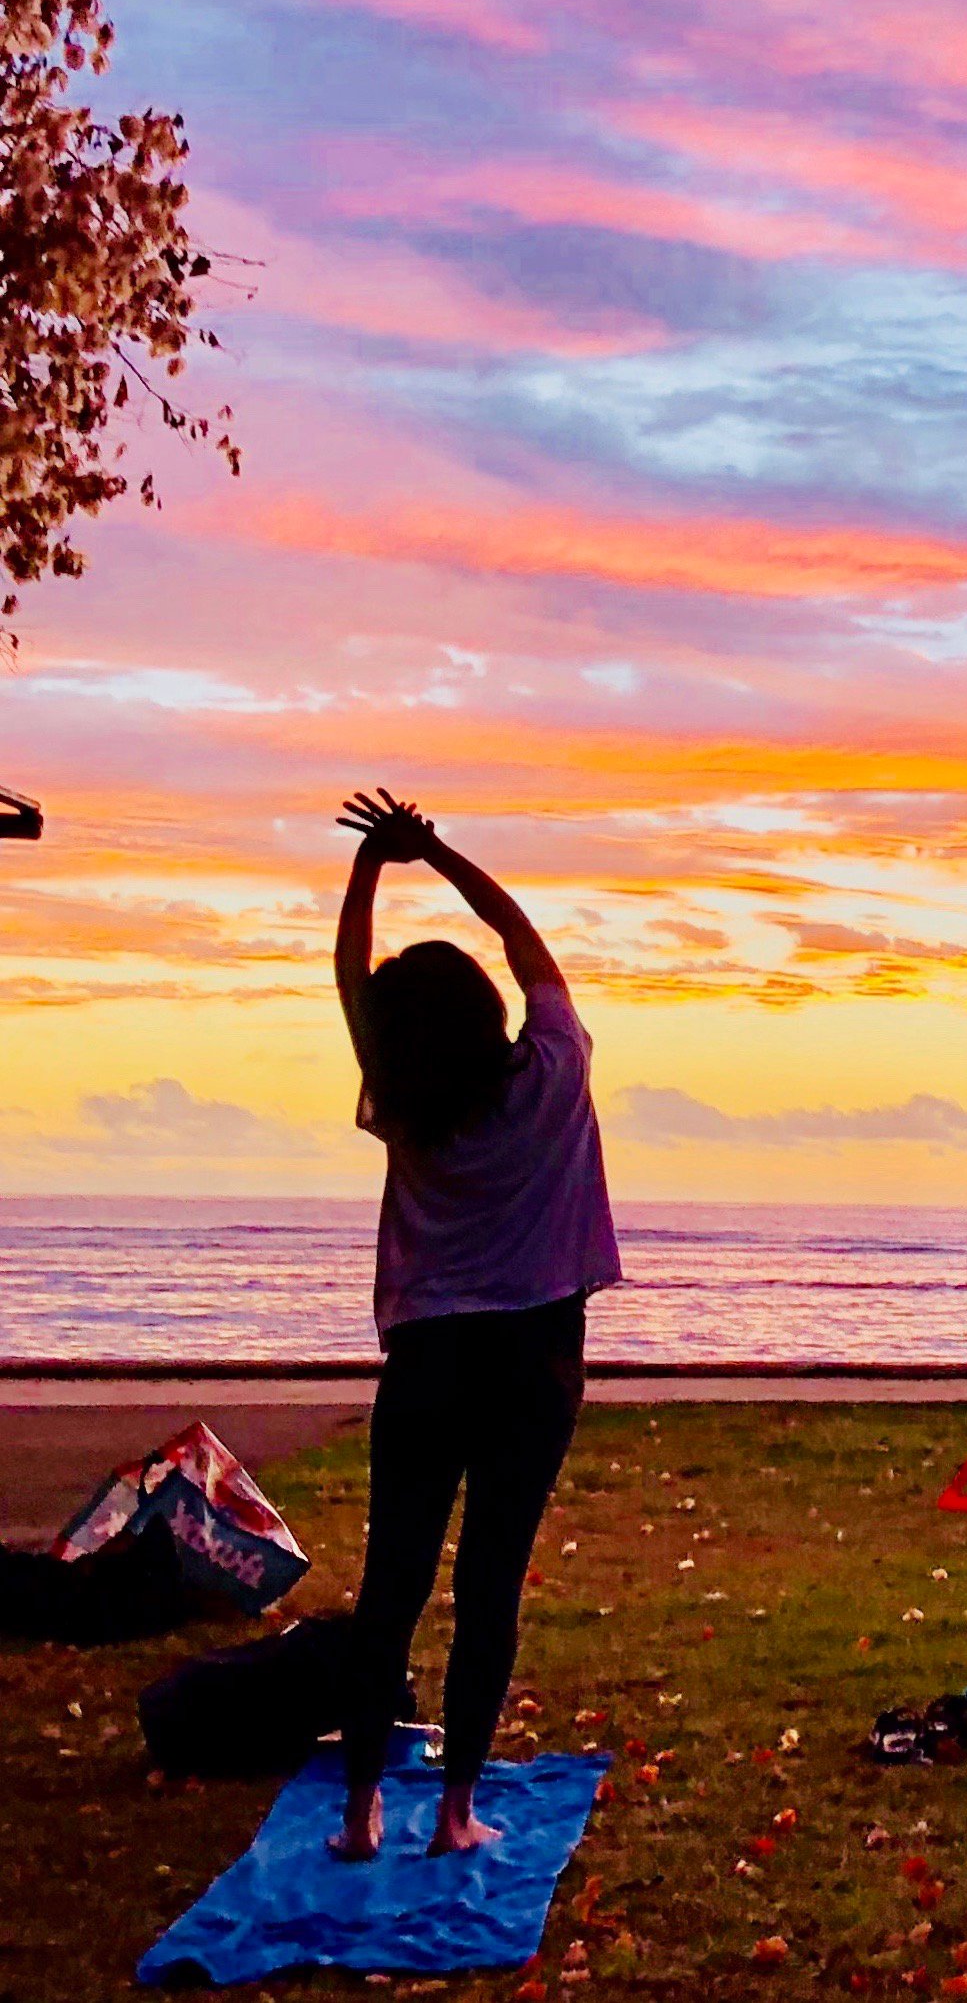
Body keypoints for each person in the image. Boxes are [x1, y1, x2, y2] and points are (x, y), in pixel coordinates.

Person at [325, 790, 620, 1863]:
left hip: (430, 1361)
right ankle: (454, 1813)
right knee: (488, 1581)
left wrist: (371, 867)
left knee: (392, 1580)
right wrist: (436, 852)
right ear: (490, 1014)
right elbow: (525, 940)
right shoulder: (552, 1072)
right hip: (535, 1363)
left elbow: (351, 976)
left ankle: (361, 1815)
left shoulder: (405, 1101)